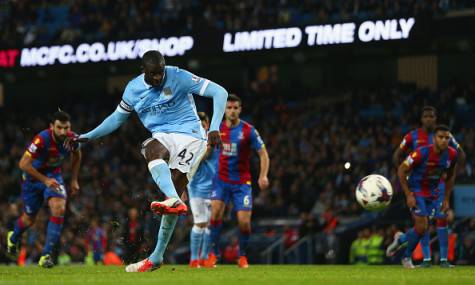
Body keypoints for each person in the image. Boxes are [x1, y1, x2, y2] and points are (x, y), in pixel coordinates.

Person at [65, 50, 228, 272]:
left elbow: (220, 92)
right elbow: (116, 119)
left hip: (192, 136)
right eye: (153, 74)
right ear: (144, 71)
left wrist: (215, 127)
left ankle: (157, 254)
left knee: (173, 195)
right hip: (163, 136)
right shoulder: (133, 89)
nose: (159, 78)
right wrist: (87, 137)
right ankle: (172, 206)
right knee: (151, 148)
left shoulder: (178, 76)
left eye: (161, 73)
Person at [7, 111, 81, 268]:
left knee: (59, 208)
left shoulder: (72, 138)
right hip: (33, 179)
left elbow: (77, 155)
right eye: (59, 127)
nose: (62, 131)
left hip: (54, 176)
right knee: (29, 219)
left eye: (66, 127)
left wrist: (74, 179)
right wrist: (45, 180)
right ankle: (13, 238)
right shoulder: (42, 139)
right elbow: (23, 164)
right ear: (51, 126)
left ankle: (46, 255)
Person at [392, 106, 465, 267]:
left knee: (441, 218)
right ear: (421, 119)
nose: (429, 119)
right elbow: (397, 157)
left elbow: (460, 157)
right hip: (417, 185)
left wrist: (449, 169)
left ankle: (443, 260)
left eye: (432, 116)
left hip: (436, 185)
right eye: (426, 116)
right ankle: (425, 259)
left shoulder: (446, 137)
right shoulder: (413, 137)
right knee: (422, 223)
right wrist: (406, 177)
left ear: (436, 118)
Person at [209, 94, 270, 268]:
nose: (232, 111)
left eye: (235, 108)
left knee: (244, 222)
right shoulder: (217, 129)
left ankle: (241, 255)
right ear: (224, 110)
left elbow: (263, 154)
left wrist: (263, 175)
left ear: (240, 109)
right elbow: (205, 150)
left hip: (241, 183)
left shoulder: (248, 130)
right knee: (215, 214)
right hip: (220, 180)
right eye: (229, 107)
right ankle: (214, 254)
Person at [188, 112, 218, 268]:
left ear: (208, 124)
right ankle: (194, 259)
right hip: (196, 188)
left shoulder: (215, 139)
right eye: (197, 122)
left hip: (215, 188)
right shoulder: (193, 142)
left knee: (211, 224)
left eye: (203, 123)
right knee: (200, 223)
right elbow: (204, 156)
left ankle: (205, 258)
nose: (200, 125)